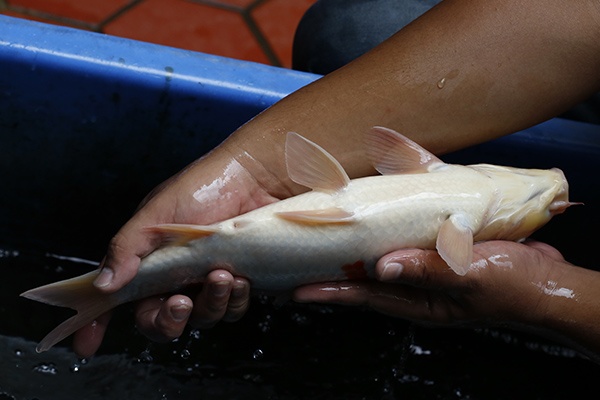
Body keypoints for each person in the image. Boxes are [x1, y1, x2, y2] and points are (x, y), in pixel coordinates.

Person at [73, 0, 600, 361]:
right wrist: (256, 167)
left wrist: (547, 299)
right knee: (354, 27)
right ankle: (115, 289)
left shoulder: (462, 219)